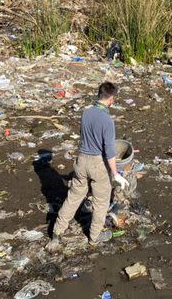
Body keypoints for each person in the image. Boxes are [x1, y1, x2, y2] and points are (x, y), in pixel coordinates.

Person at [48, 81, 129, 248]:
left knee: (73, 197)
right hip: (97, 163)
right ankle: (95, 236)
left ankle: (57, 231)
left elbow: (85, 135)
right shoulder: (107, 120)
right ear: (111, 99)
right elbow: (110, 150)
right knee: (101, 201)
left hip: (81, 160)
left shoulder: (86, 112)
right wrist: (115, 174)